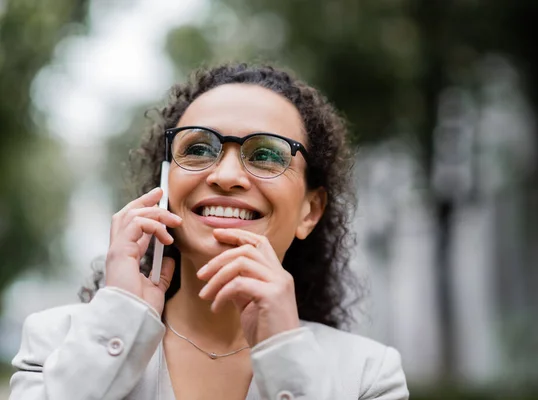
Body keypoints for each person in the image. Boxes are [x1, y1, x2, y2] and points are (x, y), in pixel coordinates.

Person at [9, 63, 409, 400]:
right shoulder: (52, 343)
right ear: (164, 185)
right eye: (198, 149)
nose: (227, 175)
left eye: (267, 155)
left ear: (311, 210)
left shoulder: (370, 376)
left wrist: (284, 353)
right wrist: (119, 321)